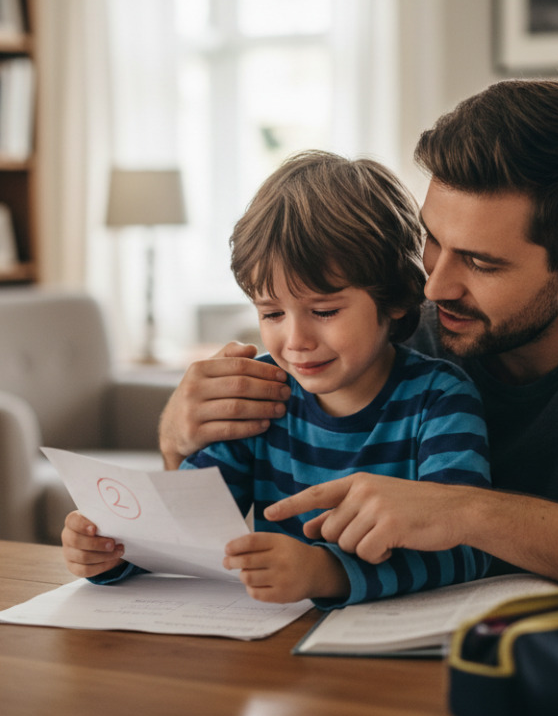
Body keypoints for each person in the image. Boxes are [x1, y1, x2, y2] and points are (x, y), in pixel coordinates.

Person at [158, 80, 558, 602]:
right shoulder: (398, 323)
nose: (434, 286)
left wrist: (468, 513)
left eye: (482, 263)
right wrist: (178, 436)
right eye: (432, 241)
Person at [62, 150, 492, 607]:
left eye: (324, 311)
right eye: (272, 313)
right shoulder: (261, 393)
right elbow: (186, 526)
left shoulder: (441, 401)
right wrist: (113, 550)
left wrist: (326, 573)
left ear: (396, 300)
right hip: (273, 646)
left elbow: (466, 551)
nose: (295, 339)